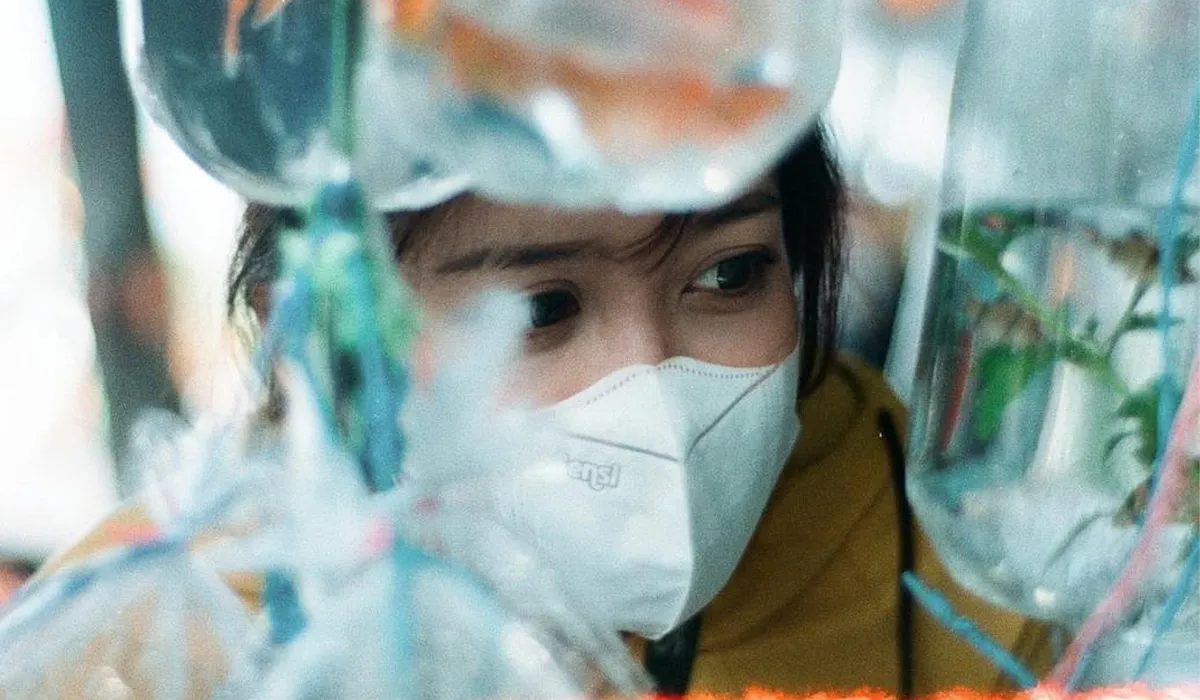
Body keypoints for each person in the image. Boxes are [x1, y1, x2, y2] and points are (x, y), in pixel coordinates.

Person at [41, 127, 1053, 696]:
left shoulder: (954, 554)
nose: (656, 386)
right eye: (539, 308)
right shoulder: (155, 639)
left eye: (733, 272)